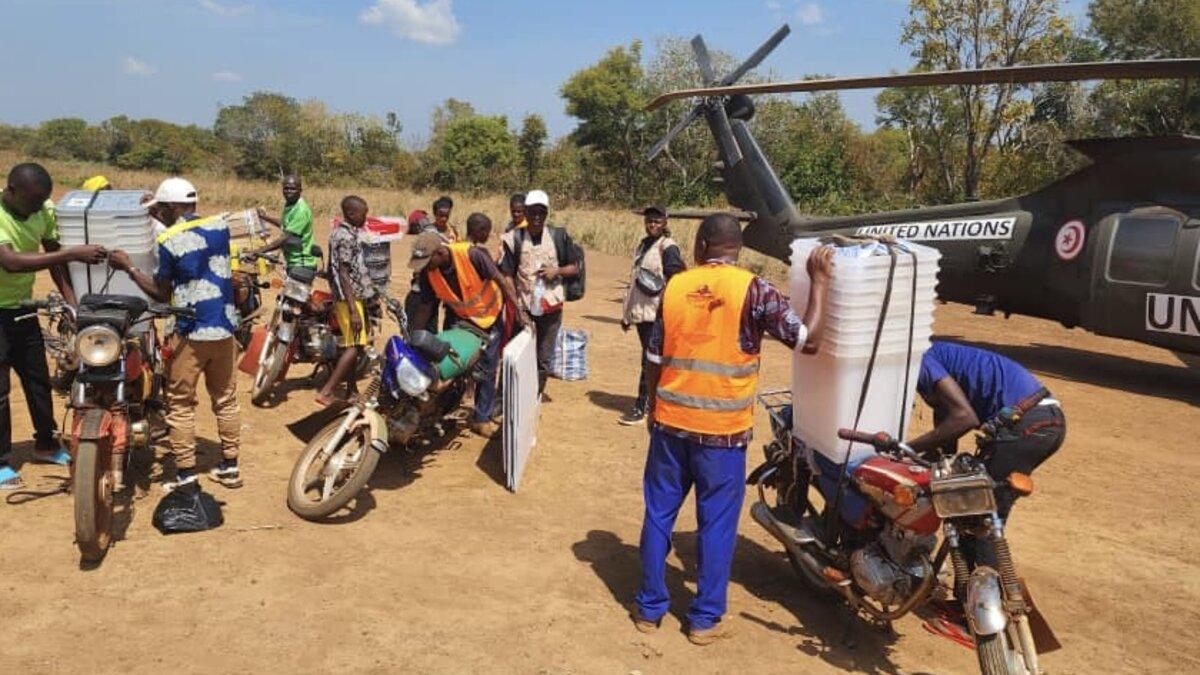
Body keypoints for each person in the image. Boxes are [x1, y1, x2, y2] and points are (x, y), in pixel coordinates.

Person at [635, 213, 835, 645]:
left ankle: (649, 610)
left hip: (671, 428)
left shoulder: (676, 287)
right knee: (717, 525)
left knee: (658, 515)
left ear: (702, 244)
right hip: (723, 435)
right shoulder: (754, 290)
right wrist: (819, 283)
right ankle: (704, 620)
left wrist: (655, 408)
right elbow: (810, 340)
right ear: (735, 248)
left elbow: (653, 361)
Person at [109, 177, 243, 492]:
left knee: (181, 402)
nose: (157, 215)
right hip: (224, 327)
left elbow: (159, 292)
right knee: (225, 398)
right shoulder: (220, 227)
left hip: (190, 330)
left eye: (159, 210)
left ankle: (185, 474)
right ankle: (230, 466)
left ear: (171, 207)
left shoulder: (169, 240)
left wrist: (128, 266)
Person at [908, 341, 1066, 564]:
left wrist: (907, 449)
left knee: (979, 516)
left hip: (1029, 423)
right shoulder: (939, 357)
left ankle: (985, 596)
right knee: (968, 514)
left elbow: (964, 418)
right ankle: (971, 591)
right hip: (1044, 421)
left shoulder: (921, 360)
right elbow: (946, 427)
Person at [0, 163, 107, 490]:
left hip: (23, 309)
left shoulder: (43, 210)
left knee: (37, 380)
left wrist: (74, 304)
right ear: (12, 190)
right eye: (32, 201)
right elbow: (11, 262)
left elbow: (54, 256)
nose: (36, 208)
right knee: (0, 391)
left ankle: (45, 443)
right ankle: (2, 460)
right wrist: (73, 252)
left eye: (41, 202)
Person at [408, 216, 527, 437]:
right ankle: (445, 406)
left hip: (488, 318)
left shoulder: (473, 255)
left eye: (426, 262)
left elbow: (501, 281)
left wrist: (518, 312)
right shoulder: (429, 271)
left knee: (487, 369)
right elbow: (426, 305)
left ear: (440, 253)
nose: (423, 268)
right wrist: (413, 337)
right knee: (447, 361)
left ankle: (481, 418)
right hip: (458, 317)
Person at [499, 189, 580, 398]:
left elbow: (575, 267)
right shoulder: (513, 239)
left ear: (546, 214)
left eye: (541, 213)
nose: (537, 217)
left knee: (543, 358)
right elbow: (507, 276)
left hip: (550, 309)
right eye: (532, 212)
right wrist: (518, 309)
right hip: (523, 308)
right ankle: (505, 398)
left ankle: (533, 396)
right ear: (525, 212)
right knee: (514, 355)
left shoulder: (559, 236)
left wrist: (557, 271)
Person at [618, 205, 684, 426]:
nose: (652, 224)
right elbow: (634, 282)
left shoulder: (669, 248)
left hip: (657, 314)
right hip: (642, 313)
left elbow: (677, 279)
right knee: (650, 359)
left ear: (665, 222)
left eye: (657, 221)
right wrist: (627, 314)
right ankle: (655, 402)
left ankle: (643, 405)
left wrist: (666, 310)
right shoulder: (644, 245)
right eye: (649, 221)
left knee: (650, 360)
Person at [316, 196, 376, 406]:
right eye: (363, 214)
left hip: (349, 297)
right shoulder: (345, 237)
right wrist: (352, 309)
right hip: (347, 299)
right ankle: (327, 391)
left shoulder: (343, 233)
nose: (365, 218)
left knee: (352, 343)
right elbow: (343, 272)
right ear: (351, 214)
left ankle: (351, 390)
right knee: (356, 346)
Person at [254, 175, 317, 275]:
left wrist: (259, 251)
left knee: (293, 291)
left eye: (293, 189)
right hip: (293, 261)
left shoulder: (301, 210)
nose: (289, 192)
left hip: (302, 264)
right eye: (286, 188)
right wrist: (265, 217)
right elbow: (286, 224)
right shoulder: (291, 205)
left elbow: (285, 238)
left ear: (300, 190)